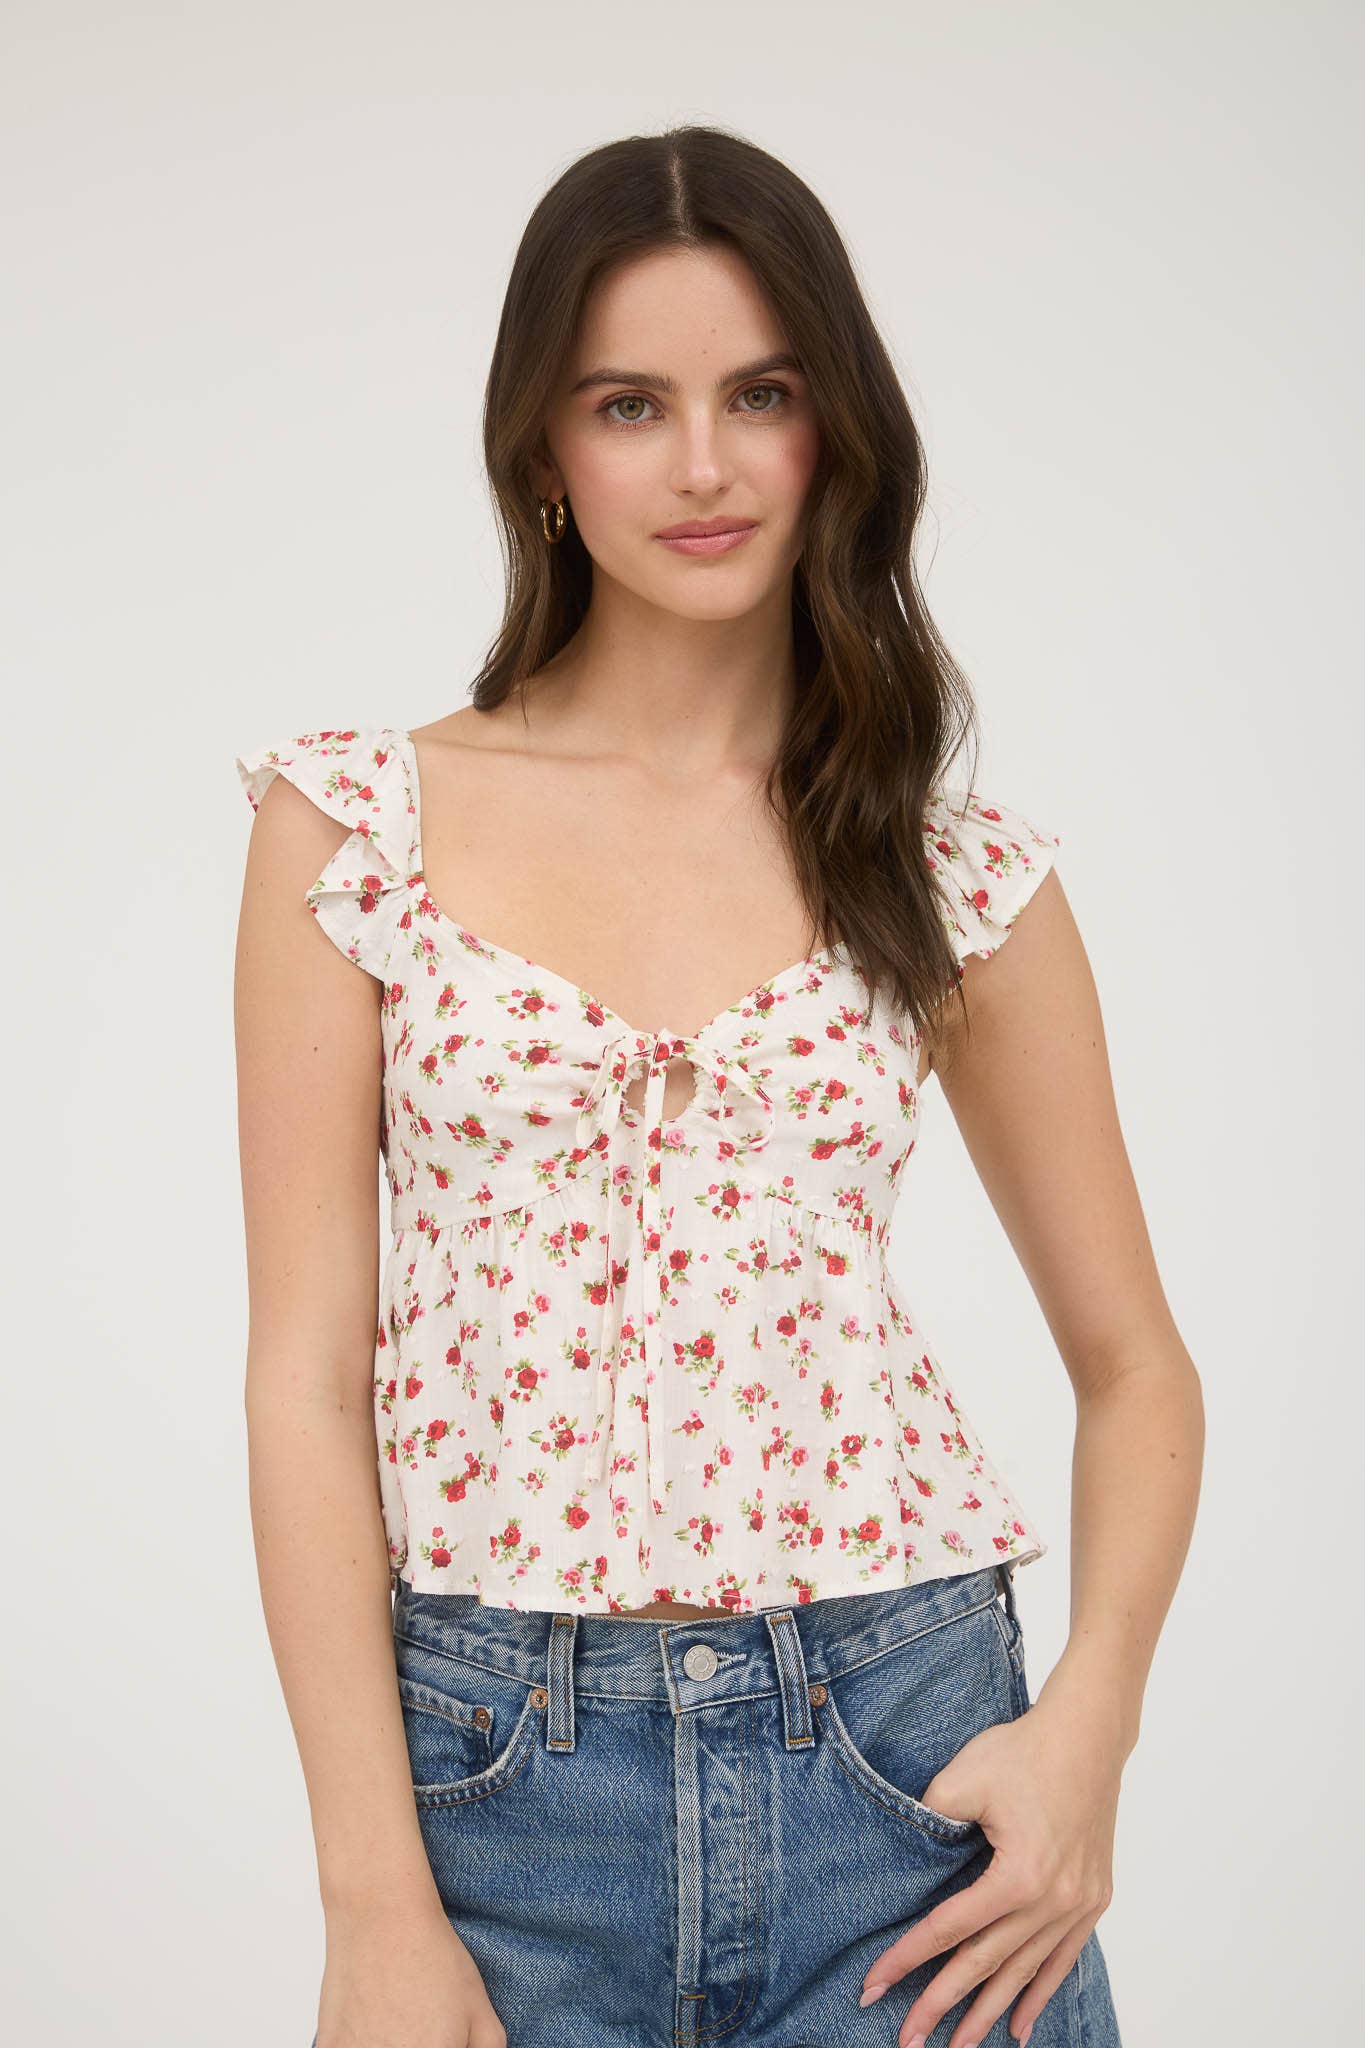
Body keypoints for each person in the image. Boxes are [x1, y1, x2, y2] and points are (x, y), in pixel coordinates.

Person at [233, 125, 1198, 2048]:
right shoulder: (355, 828)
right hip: (491, 1793)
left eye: (761, 394)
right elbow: (303, 1380)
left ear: (836, 431)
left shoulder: (947, 868)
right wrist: (373, 1907)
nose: (701, 465)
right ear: (541, 448)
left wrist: (1087, 1731)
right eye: (629, 404)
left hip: (906, 1772)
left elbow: (1137, 1371)